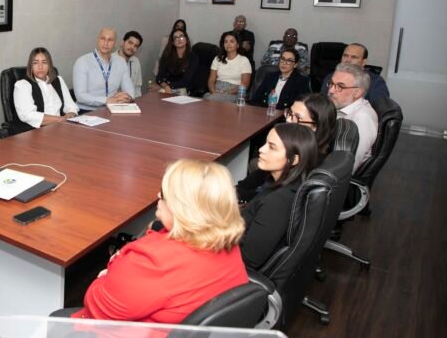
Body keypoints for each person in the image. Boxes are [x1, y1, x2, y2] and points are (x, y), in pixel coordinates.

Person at [71, 159, 248, 323]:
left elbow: (99, 309)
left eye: (163, 193)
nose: (158, 195)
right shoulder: (227, 242)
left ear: (181, 207)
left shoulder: (153, 262)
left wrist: (104, 277)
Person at [239, 123, 319, 269]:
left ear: (294, 160)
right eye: (265, 143)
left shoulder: (277, 202)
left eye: (272, 147)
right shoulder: (286, 184)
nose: (261, 150)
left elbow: (249, 260)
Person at [327, 63, 378, 172]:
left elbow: (347, 167)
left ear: (357, 92)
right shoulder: (342, 107)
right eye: (331, 84)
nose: (331, 90)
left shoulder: (362, 119)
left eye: (340, 86)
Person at [13, 47, 79, 130]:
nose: (40, 67)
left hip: (60, 127)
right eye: (35, 63)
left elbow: (70, 105)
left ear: (49, 65)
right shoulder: (23, 85)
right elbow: (27, 115)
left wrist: (70, 114)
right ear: (31, 66)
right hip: (35, 131)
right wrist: (59, 119)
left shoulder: (58, 80)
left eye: (44, 62)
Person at [73, 28, 135, 110]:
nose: (106, 43)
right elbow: (80, 96)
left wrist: (127, 97)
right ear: (97, 40)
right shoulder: (82, 62)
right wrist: (106, 100)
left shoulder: (121, 62)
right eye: (103, 38)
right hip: (87, 111)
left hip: (113, 109)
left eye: (110, 40)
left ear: (115, 44)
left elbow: (130, 92)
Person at [321, 43, 390, 102]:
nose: (348, 60)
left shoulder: (375, 81)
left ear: (364, 62)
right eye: (345, 56)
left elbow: (380, 109)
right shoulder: (331, 77)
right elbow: (322, 103)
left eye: (354, 57)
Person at [285, 93, 338, 162]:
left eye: (297, 117)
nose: (288, 119)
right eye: (290, 112)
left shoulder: (307, 161)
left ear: (316, 127)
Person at [205, 32, 252, 102]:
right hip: (217, 90)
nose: (228, 44)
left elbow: (245, 85)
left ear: (238, 45)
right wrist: (213, 91)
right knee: (206, 97)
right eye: (226, 42)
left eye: (232, 41)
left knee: (210, 99)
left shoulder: (244, 60)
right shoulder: (217, 59)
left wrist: (226, 92)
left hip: (235, 92)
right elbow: (211, 80)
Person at [155, 29, 199, 95]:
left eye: (181, 36)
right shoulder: (167, 56)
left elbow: (186, 80)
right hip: (166, 87)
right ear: (173, 42)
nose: (179, 39)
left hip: (183, 89)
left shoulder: (193, 57)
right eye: (175, 38)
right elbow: (159, 77)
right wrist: (165, 86)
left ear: (186, 40)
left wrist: (169, 86)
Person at [117, 31, 144, 97]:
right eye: (130, 43)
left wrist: (136, 101)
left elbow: (137, 87)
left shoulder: (136, 61)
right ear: (122, 43)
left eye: (136, 46)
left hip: (132, 100)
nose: (132, 47)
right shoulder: (110, 60)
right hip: (114, 100)